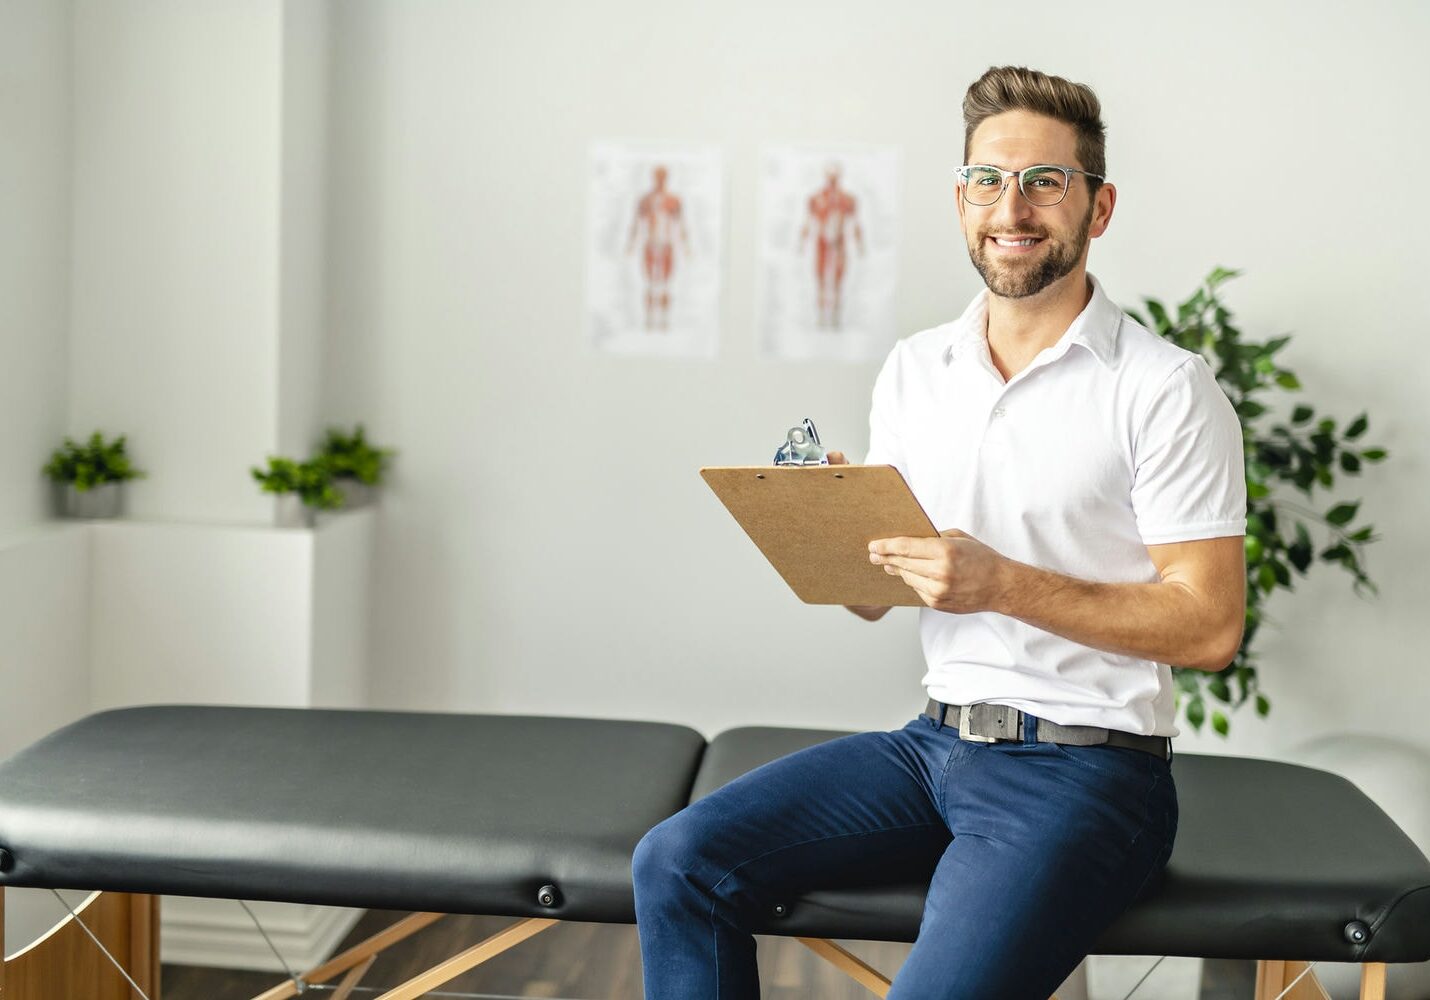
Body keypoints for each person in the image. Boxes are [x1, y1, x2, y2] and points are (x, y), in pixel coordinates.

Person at [633, 65, 1246, 1000]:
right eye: (986, 181)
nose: (1013, 206)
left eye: (1046, 180)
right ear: (960, 200)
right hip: (931, 746)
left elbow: (1208, 626)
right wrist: (836, 529)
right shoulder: (917, 368)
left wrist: (1000, 583)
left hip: (1088, 773)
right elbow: (879, 601)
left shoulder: (1164, 388)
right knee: (677, 861)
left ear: (1099, 206)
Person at [797, 162, 865, 329]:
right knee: (820, 277)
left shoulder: (847, 199)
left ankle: (836, 316)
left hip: (839, 242)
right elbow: (808, 221)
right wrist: (802, 242)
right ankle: (821, 316)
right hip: (822, 242)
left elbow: (856, 222)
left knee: (838, 279)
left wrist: (859, 244)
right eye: (830, 177)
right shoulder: (816, 198)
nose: (832, 180)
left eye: (835, 177)